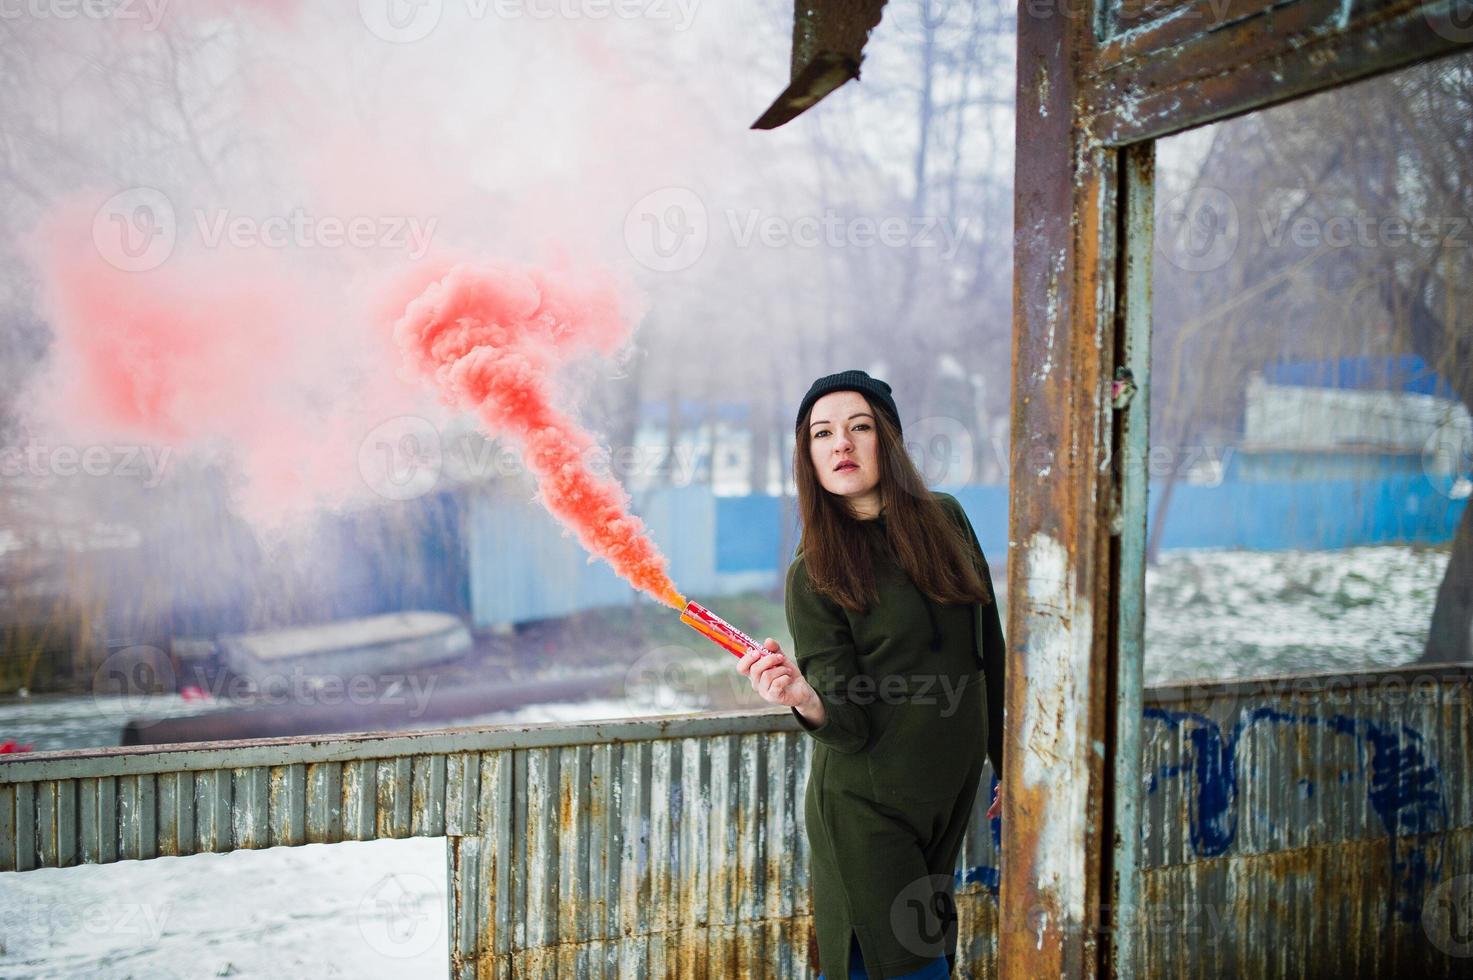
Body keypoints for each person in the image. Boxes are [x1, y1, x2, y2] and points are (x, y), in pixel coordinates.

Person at [738, 370, 1006, 979]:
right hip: (867, 809)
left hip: (946, 800)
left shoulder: (948, 519)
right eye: (822, 433)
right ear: (807, 454)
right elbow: (848, 722)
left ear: (888, 438)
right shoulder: (815, 572)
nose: (842, 445)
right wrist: (804, 697)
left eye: (859, 427)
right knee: (912, 969)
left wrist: (1008, 763)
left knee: (929, 955)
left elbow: (987, 648)